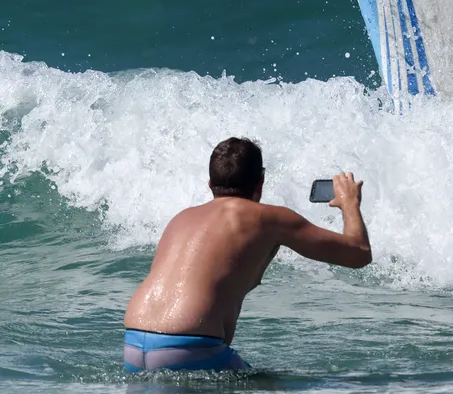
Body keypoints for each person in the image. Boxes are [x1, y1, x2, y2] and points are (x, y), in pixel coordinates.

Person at [123, 137, 371, 372]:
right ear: (260, 181)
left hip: (134, 343)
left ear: (210, 184)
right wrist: (350, 204)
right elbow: (358, 253)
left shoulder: (180, 219)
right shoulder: (268, 218)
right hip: (190, 347)